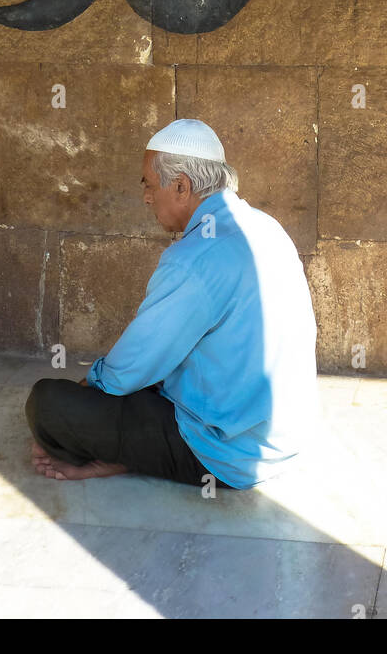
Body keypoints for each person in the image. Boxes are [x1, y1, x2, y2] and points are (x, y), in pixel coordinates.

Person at [25, 118, 319, 491]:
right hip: (285, 439)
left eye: (149, 184)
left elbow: (128, 370)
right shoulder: (267, 226)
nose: (146, 197)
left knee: (48, 404)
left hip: (227, 455)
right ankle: (127, 454)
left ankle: (123, 458)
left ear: (181, 186)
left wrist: (83, 401)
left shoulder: (194, 257)